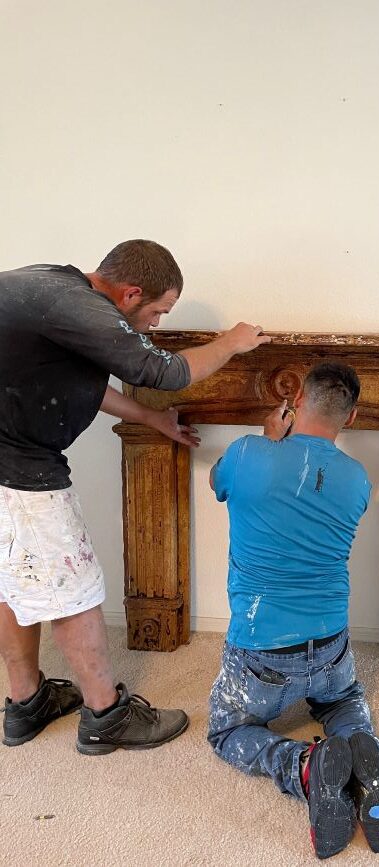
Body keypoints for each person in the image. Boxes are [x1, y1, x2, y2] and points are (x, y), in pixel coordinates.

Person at [0, 239, 271, 755]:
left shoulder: (53, 289)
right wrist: (232, 341)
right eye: (158, 313)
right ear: (129, 294)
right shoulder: (81, 307)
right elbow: (163, 371)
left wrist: (148, 417)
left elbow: (72, 376)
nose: (156, 327)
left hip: (5, 464)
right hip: (17, 468)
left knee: (13, 585)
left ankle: (25, 702)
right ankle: (106, 715)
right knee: (73, 591)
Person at [207, 361, 379, 859]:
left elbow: (217, 481)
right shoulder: (357, 481)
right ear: (350, 417)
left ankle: (304, 768)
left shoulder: (250, 454)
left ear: (296, 405)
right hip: (331, 644)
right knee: (342, 701)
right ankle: (361, 753)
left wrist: (269, 439)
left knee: (226, 730)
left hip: (263, 654)